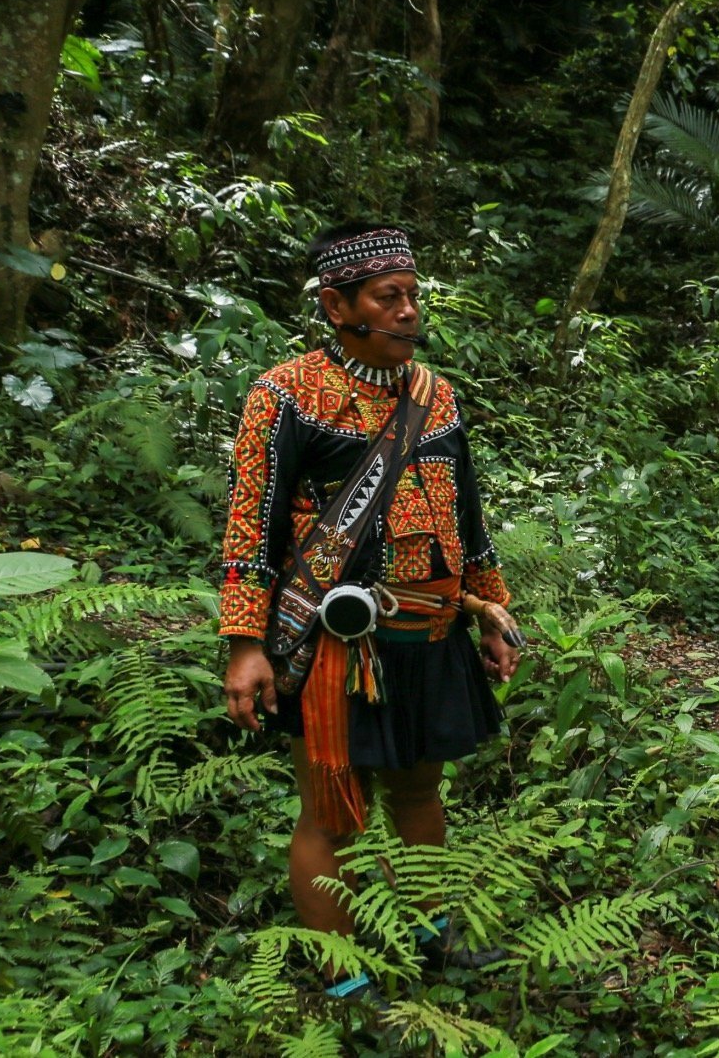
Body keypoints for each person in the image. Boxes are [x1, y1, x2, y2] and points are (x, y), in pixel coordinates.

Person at [218, 223, 521, 997]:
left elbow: (469, 516)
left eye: (413, 295)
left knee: (421, 792)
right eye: (390, 298)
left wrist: (491, 604)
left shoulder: (439, 397)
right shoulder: (284, 394)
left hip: (430, 631)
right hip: (334, 647)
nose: (409, 312)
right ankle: (347, 980)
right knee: (332, 814)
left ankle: (432, 940)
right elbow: (251, 523)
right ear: (336, 303)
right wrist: (245, 642)